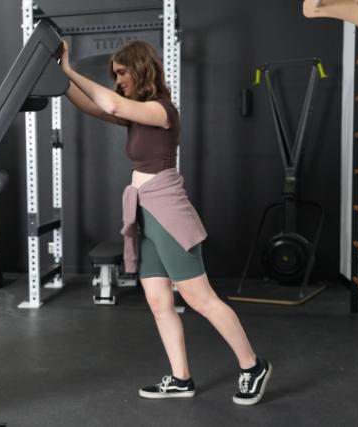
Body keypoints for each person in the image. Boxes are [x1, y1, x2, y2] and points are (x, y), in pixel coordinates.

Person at [58, 39, 272, 406]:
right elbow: (92, 106)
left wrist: (68, 68)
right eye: (115, 75)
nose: (118, 80)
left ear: (140, 69)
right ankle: (180, 379)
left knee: (199, 297)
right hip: (144, 213)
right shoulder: (135, 112)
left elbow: (107, 101)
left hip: (168, 213)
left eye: (122, 73)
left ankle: (253, 366)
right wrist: (57, 81)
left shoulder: (162, 110)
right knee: (158, 301)